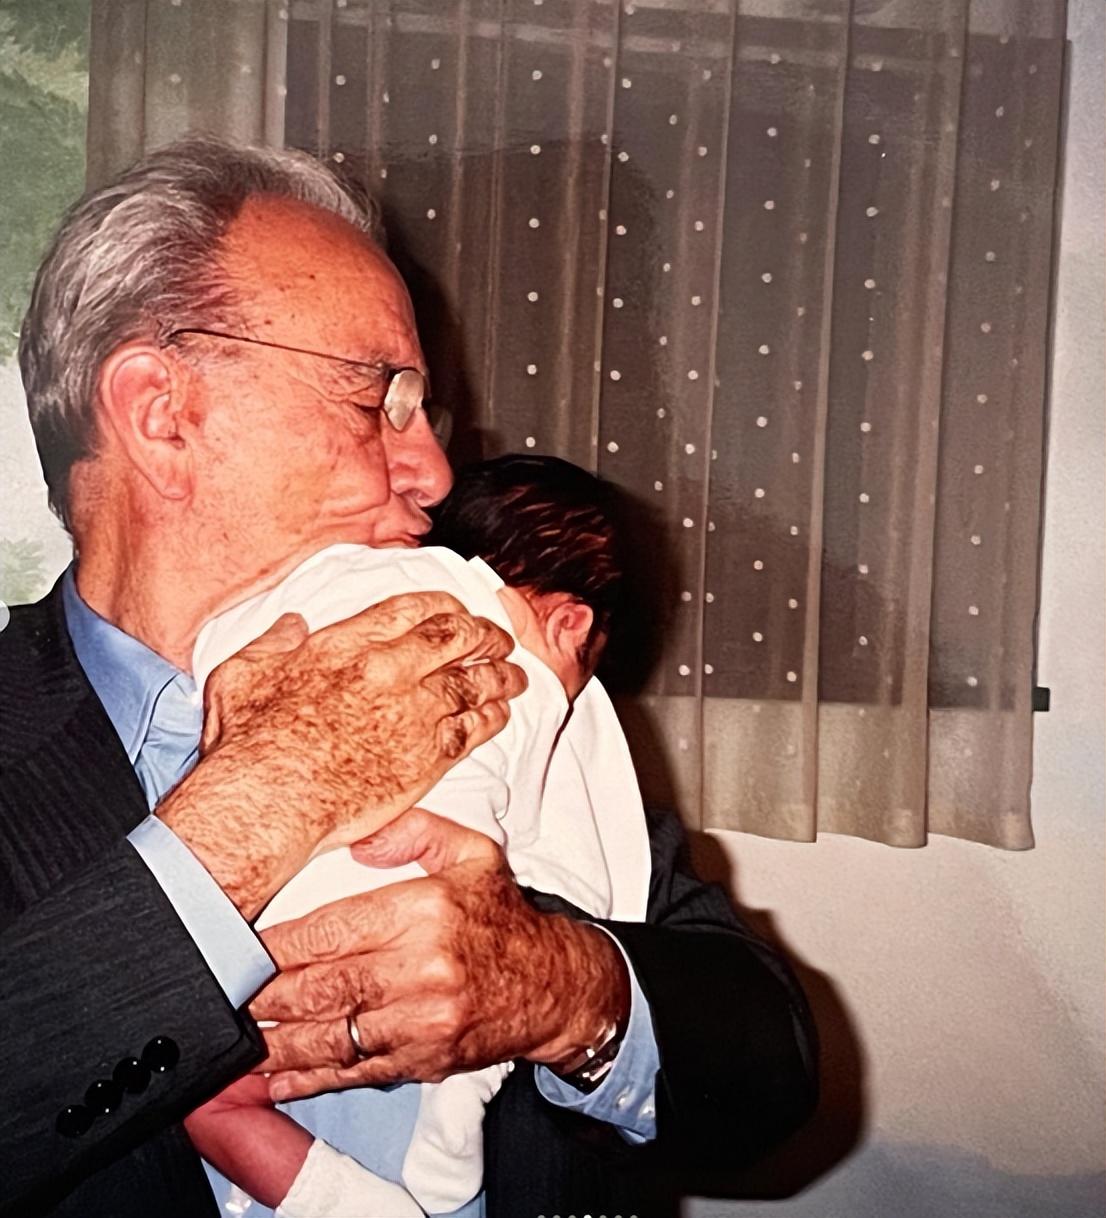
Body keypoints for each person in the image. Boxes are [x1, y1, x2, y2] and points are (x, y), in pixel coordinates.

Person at [0, 137, 818, 1218]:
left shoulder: (477, 680)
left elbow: (769, 1066)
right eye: (374, 399)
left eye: (423, 413)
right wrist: (258, 807)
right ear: (164, 414)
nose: (432, 473)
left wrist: (555, 986)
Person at [187, 454, 651, 1217]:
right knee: (440, 1132)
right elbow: (579, 878)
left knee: (219, 1102)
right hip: (419, 1002)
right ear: (571, 623)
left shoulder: (322, 589)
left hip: (266, 964)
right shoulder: (541, 692)